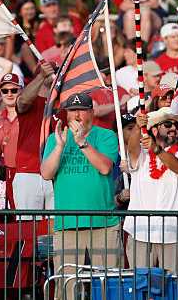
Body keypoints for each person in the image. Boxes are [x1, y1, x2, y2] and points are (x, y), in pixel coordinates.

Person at [41, 93, 121, 270]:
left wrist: (82, 142)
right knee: (66, 286)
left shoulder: (106, 135)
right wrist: (60, 147)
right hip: (67, 224)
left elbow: (105, 168)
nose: (77, 115)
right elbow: (46, 173)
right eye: (72, 110)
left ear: (92, 112)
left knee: (107, 284)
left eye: (82, 110)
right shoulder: (55, 138)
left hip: (103, 224)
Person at [123, 107, 178, 278]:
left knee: (173, 288)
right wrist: (137, 127)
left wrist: (156, 149)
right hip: (140, 232)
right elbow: (132, 150)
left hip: (174, 233)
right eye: (168, 124)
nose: (174, 128)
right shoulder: (142, 156)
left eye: (176, 125)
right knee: (138, 286)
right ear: (154, 130)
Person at [0, 65, 56, 210]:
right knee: (27, 226)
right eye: (5, 91)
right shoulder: (28, 103)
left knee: (56, 225)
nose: (9, 94)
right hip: (28, 171)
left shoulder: (64, 102)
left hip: (58, 172)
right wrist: (41, 76)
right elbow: (22, 102)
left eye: (14, 90)